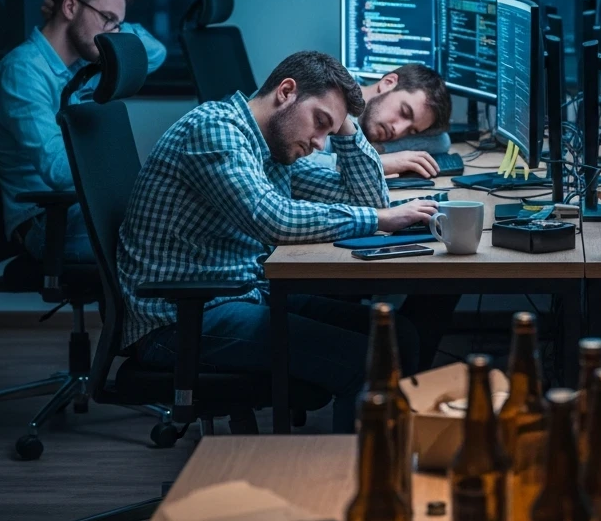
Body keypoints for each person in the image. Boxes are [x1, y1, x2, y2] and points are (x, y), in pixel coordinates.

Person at [117, 51, 440, 432]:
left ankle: (393, 461)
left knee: (399, 335)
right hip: (178, 318)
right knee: (365, 360)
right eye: (320, 123)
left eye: (329, 132)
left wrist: (347, 128)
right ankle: (353, 485)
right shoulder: (215, 130)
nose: (321, 143)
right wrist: (381, 219)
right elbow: (273, 220)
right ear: (287, 92)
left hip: (237, 294)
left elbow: (366, 200)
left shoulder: (273, 147)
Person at [0, 0, 167, 263]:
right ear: (70, 7)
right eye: (107, 18)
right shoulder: (22, 72)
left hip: (86, 205)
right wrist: (135, 178)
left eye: (117, 24)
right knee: (166, 233)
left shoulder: (84, 65)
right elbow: (57, 170)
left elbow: (155, 53)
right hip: (47, 222)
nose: (114, 33)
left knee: (176, 217)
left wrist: (113, 26)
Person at [358, 64, 454, 179]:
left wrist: (377, 150)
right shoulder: (335, 106)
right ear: (388, 83)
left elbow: (441, 141)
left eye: (411, 131)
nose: (398, 131)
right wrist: (377, 163)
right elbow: (330, 170)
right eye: (404, 112)